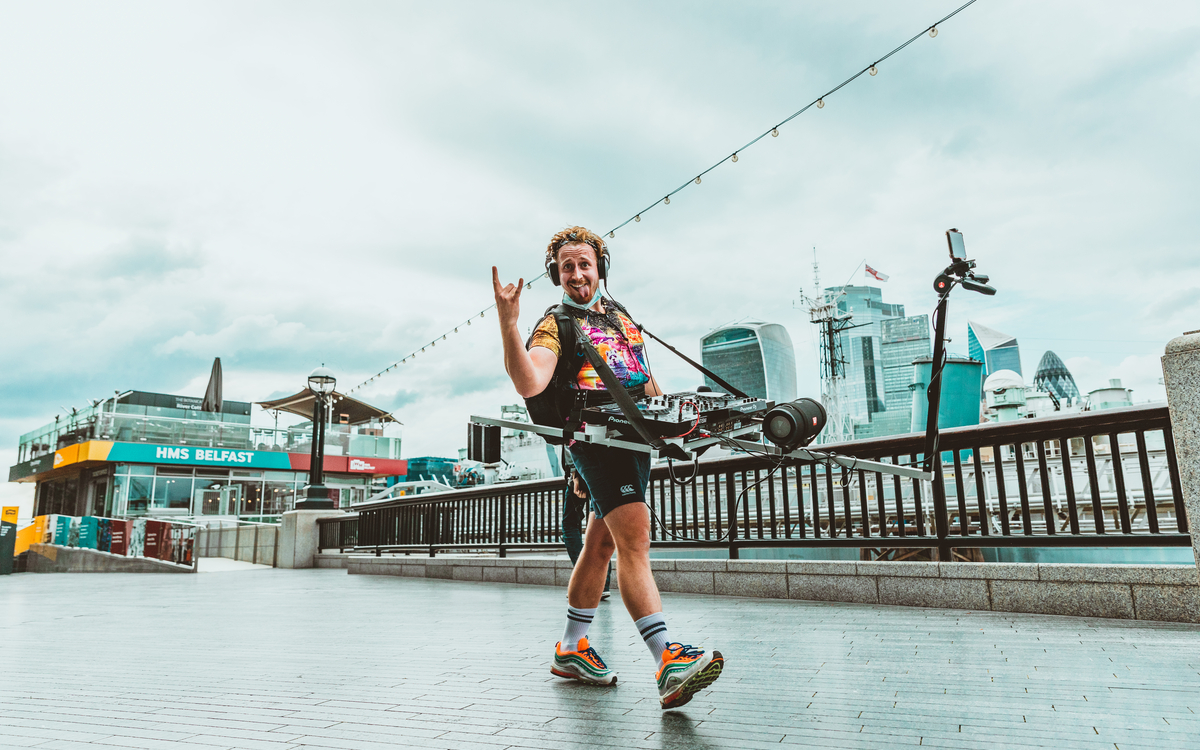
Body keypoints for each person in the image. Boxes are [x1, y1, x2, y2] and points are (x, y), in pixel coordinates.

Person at [491, 226, 723, 710]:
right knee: (635, 537)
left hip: (633, 438)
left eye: (585, 264)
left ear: (601, 268)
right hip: (597, 440)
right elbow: (530, 382)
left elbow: (643, 376)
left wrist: (675, 422)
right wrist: (508, 323)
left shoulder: (619, 316)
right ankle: (667, 660)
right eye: (567, 266)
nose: (577, 274)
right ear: (556, 272)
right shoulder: (555, 325)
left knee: (599, 542)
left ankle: (572, 648)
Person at [561, 456, 610, 600]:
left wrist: (575, 474)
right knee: (600, 522)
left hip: (583, 468)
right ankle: (602, 585)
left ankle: (585, 581)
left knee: (569, 524)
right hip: (605, 472)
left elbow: (571, 441)